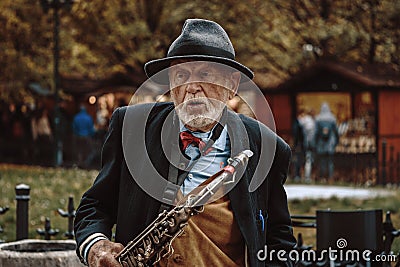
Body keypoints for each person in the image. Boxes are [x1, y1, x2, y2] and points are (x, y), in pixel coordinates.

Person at [74, 19, 296, 267]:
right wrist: (96, 247)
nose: (191, 87)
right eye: (180, 75)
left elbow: (280, 241)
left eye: (205, 74)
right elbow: (94, 207)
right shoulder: (131, 127)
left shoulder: (268, 147)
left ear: (232, 85)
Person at [314, 102, 339, 181]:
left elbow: (316, 133)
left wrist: (315, 143)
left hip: (321, 144)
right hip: (330, 143)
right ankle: (330, 177)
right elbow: (336, 132)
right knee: (330, 162)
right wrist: (336, 142)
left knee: (322, 161)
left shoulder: (318, 119)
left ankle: (322, 177)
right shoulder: (332, 118)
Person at [298, 108, 316, 182]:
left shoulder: (304, 120)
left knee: (308, 160)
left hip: (306, 143)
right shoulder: (310, 122)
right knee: (309, 160)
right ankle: (307, 177)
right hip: (309, 144)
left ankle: (306, 176)